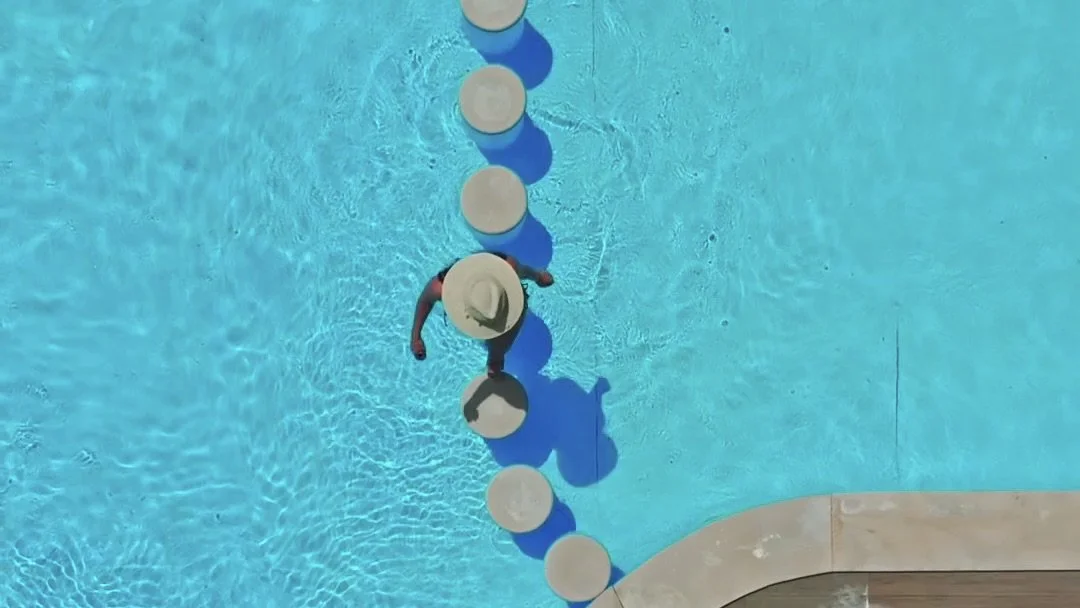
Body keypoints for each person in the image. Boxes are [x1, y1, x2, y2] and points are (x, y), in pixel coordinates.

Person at [410, 251, 554, 376]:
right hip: (493, 303)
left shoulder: (509, 266)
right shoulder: (441, 286)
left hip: (509, 307)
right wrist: (416, 336)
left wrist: (538, 276)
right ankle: (496, 358)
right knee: (499, 348)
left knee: (500, 345)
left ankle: (495, 358)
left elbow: (524, 270)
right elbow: (425, 301)